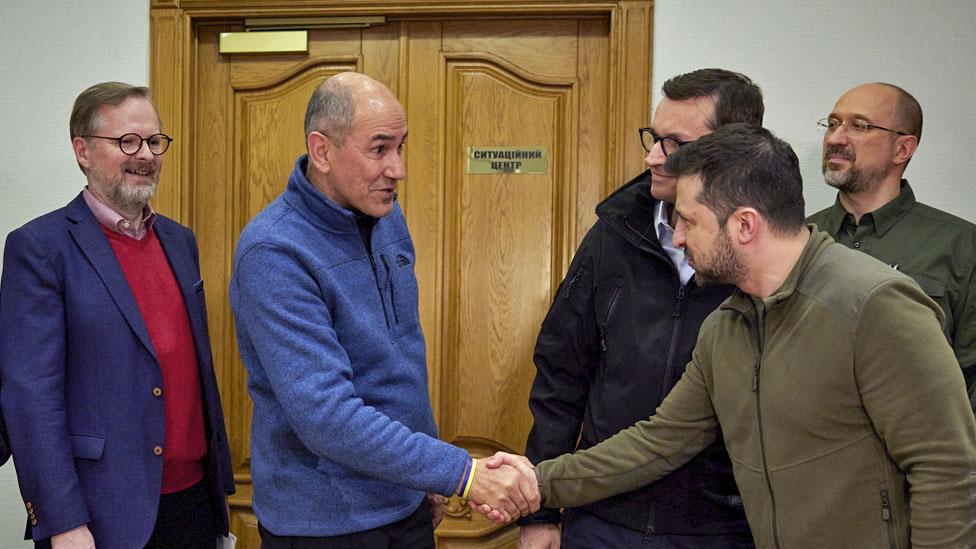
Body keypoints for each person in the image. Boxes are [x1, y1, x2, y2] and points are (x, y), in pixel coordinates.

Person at [492, 124, 976, 546]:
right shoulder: (725, 327)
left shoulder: (875, 305)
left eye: (689, 220)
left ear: (744, 225)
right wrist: (537, 482)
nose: (677, 237)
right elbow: (658, 442)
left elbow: (949, 472)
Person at [229, 72, 538, 547]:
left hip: (406, 504)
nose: (397, 169)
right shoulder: (274, 251)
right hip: (324, 526)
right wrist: (461, 474)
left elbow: (403, 362)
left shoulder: (387, 218)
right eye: (379, 149)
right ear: (322, 151)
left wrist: (429, 478)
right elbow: (326, 416)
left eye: (401, 146)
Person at [520, 68, 761, 548]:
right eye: (654, 137)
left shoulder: (762, 256)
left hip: (723, 528)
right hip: (603, 520)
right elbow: (561, 375)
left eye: (675, 143)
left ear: (731, 150)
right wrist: (540, 513)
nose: (653, 156)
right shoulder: (613, 235)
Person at [0, 82, 236, 548]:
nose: (144, 154)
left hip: (193, 505)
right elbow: (31, 398)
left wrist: (218, 502)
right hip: (99, 515)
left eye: (154, 141)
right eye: (127, 141)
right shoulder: (40, 249)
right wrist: (62, 520)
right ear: (82, 151)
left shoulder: (180, 241)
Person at [808, 82, 976, 403]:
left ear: (903, 149)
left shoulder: (961, 247)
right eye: (832, 124)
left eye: (860, 126)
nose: (836, 138)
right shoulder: (798, 238)